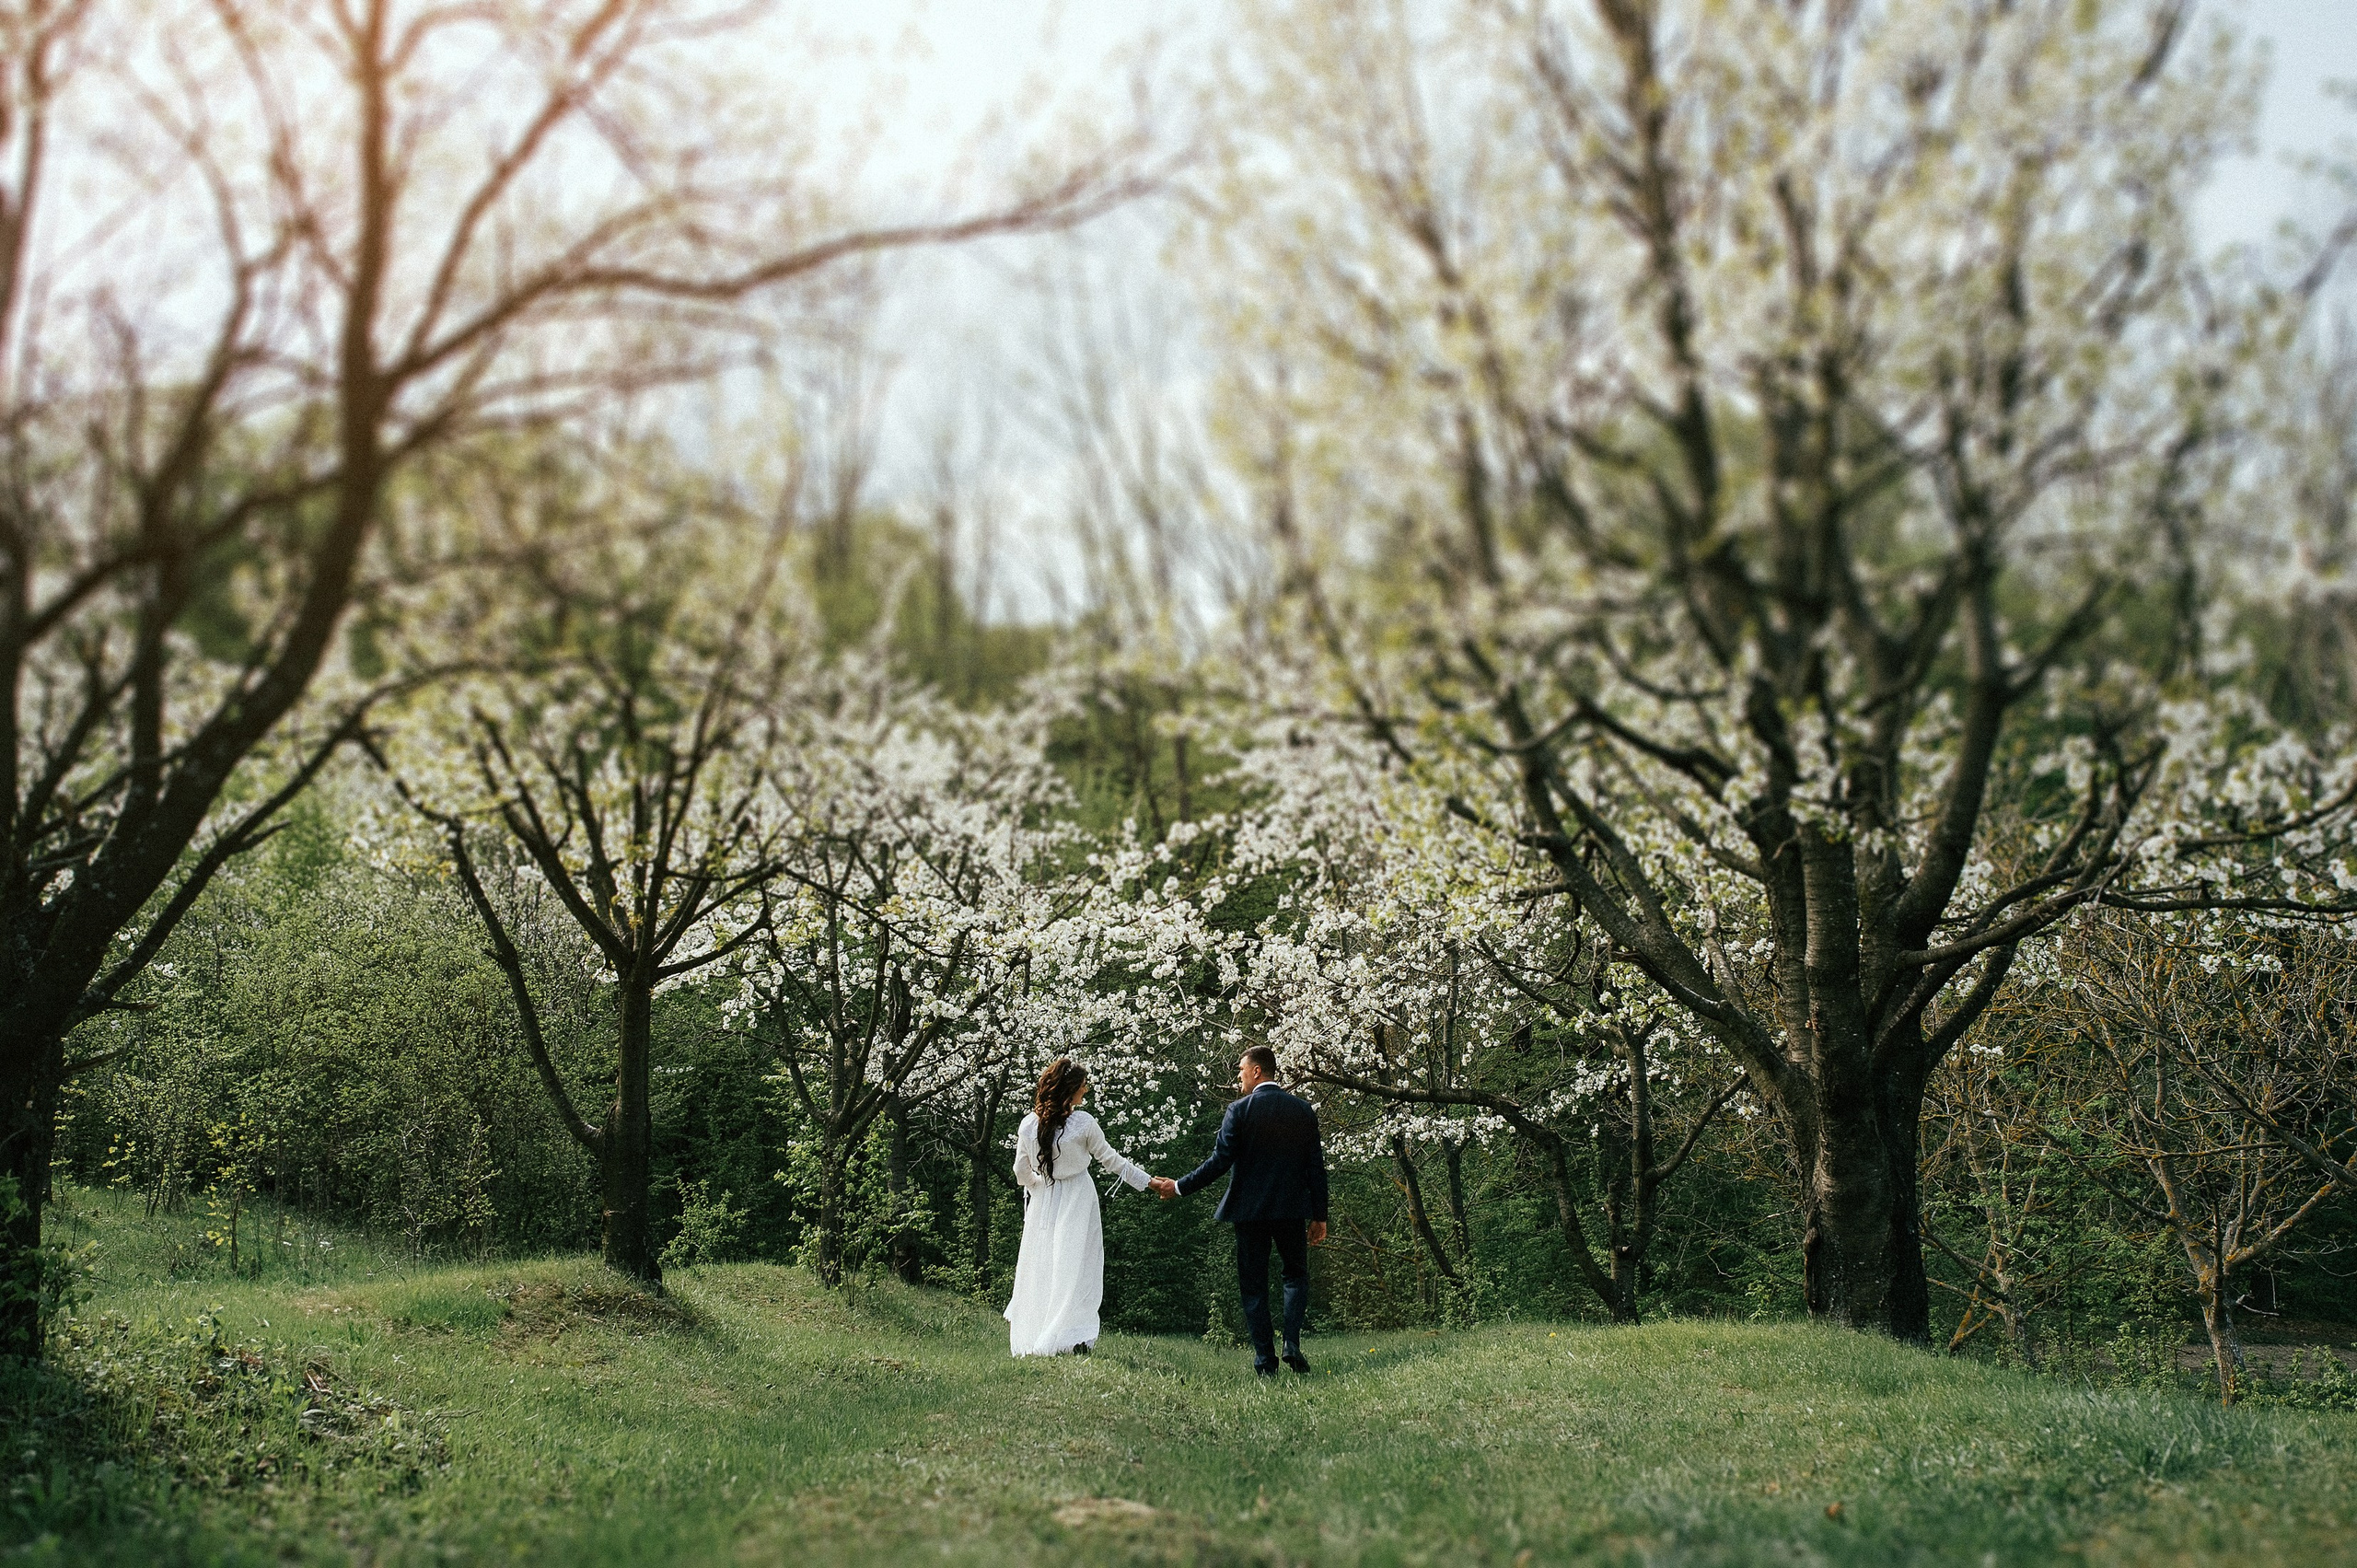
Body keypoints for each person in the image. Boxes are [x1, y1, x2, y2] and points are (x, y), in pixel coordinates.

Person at [1153, 1045, 1329, 1376]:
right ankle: (1291, 1343)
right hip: (1291, 1210)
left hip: (1249, 1213)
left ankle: (1265, 1361)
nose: (1239, 1077)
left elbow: (1219, 1162)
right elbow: (1315, 1168)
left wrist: (1178, 1186)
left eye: (1241, 1070)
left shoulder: (1239, 1111)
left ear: (1257, 1071)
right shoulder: (1303, 1110)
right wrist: (1320, 1215)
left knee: (1253, 1284)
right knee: (1295, 1275)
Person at [1004, 1057, 1157, 1357]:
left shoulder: (1027, 1126)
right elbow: (1112, 1161)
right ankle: (1072, 1338)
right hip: (1078, 1199)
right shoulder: (1084, 1123)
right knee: (1077, 1268)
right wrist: (1150, 1182)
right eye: (1082, 1085)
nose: (1086, 1089)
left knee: (1043, 1267)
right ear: (1070, 1089)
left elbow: (1020, 1172)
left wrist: (1038, 1186)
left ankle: (1045, 1336)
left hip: (1043, 1200)